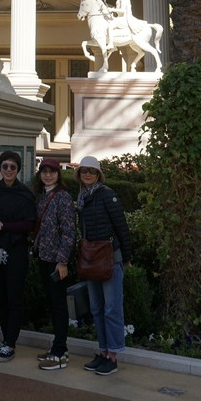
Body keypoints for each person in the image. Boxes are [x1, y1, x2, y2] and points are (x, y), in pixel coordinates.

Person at [75, 154, 132, 376]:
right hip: (91, 259)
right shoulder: (82, 197)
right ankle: (103, 350)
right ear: (79, 174)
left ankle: (113, 356)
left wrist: (126, 257)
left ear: (98, 174)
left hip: (110, 258)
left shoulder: (107, 195)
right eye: (84, 171)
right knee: (97, 309)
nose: (88, 174)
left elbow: (121, 227)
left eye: (92, 171)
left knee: (111, 309)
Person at [0, 150, 36, 362]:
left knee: (14, 297)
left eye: (12, 167)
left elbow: (28, 224)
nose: (8, 170)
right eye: (5, 166)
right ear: (0, 168)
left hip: (16, 251)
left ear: (18, 169)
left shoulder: (25, 194)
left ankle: (11, 343)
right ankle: (5, 338)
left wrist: (3, 226)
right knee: (1, 296)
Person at [31, 157, 76, 370]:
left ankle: (59, 353)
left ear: (59, 174)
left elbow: (69, 232)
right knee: (52, 303)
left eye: (52, 172)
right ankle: (59, 347)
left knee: (58, 305)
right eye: (44, 172)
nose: (48, 175)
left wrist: (63, 261)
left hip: (57, 261)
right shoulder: (42, 196)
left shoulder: (63, 197)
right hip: (44, 257)